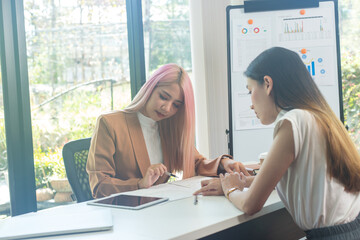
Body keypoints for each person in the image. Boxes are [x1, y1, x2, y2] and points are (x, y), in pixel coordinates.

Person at [194, 47, 360, 239]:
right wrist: (237, 182)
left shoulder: (292, 121)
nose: (250, 103)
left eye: (250, 91)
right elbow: (299, 178)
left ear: (267, 84)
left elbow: (250, 205)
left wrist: (231, 189)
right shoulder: (318, 116)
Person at [86, 63, 249, 198]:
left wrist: (224, 163)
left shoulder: (168, 126)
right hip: (124, 215)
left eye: (176, 105)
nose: (167, 108)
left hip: (159, 209)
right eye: (163, 97)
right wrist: (140, 184)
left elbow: (196, 162)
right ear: (150, 88)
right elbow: (99, 186)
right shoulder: (110, 123)